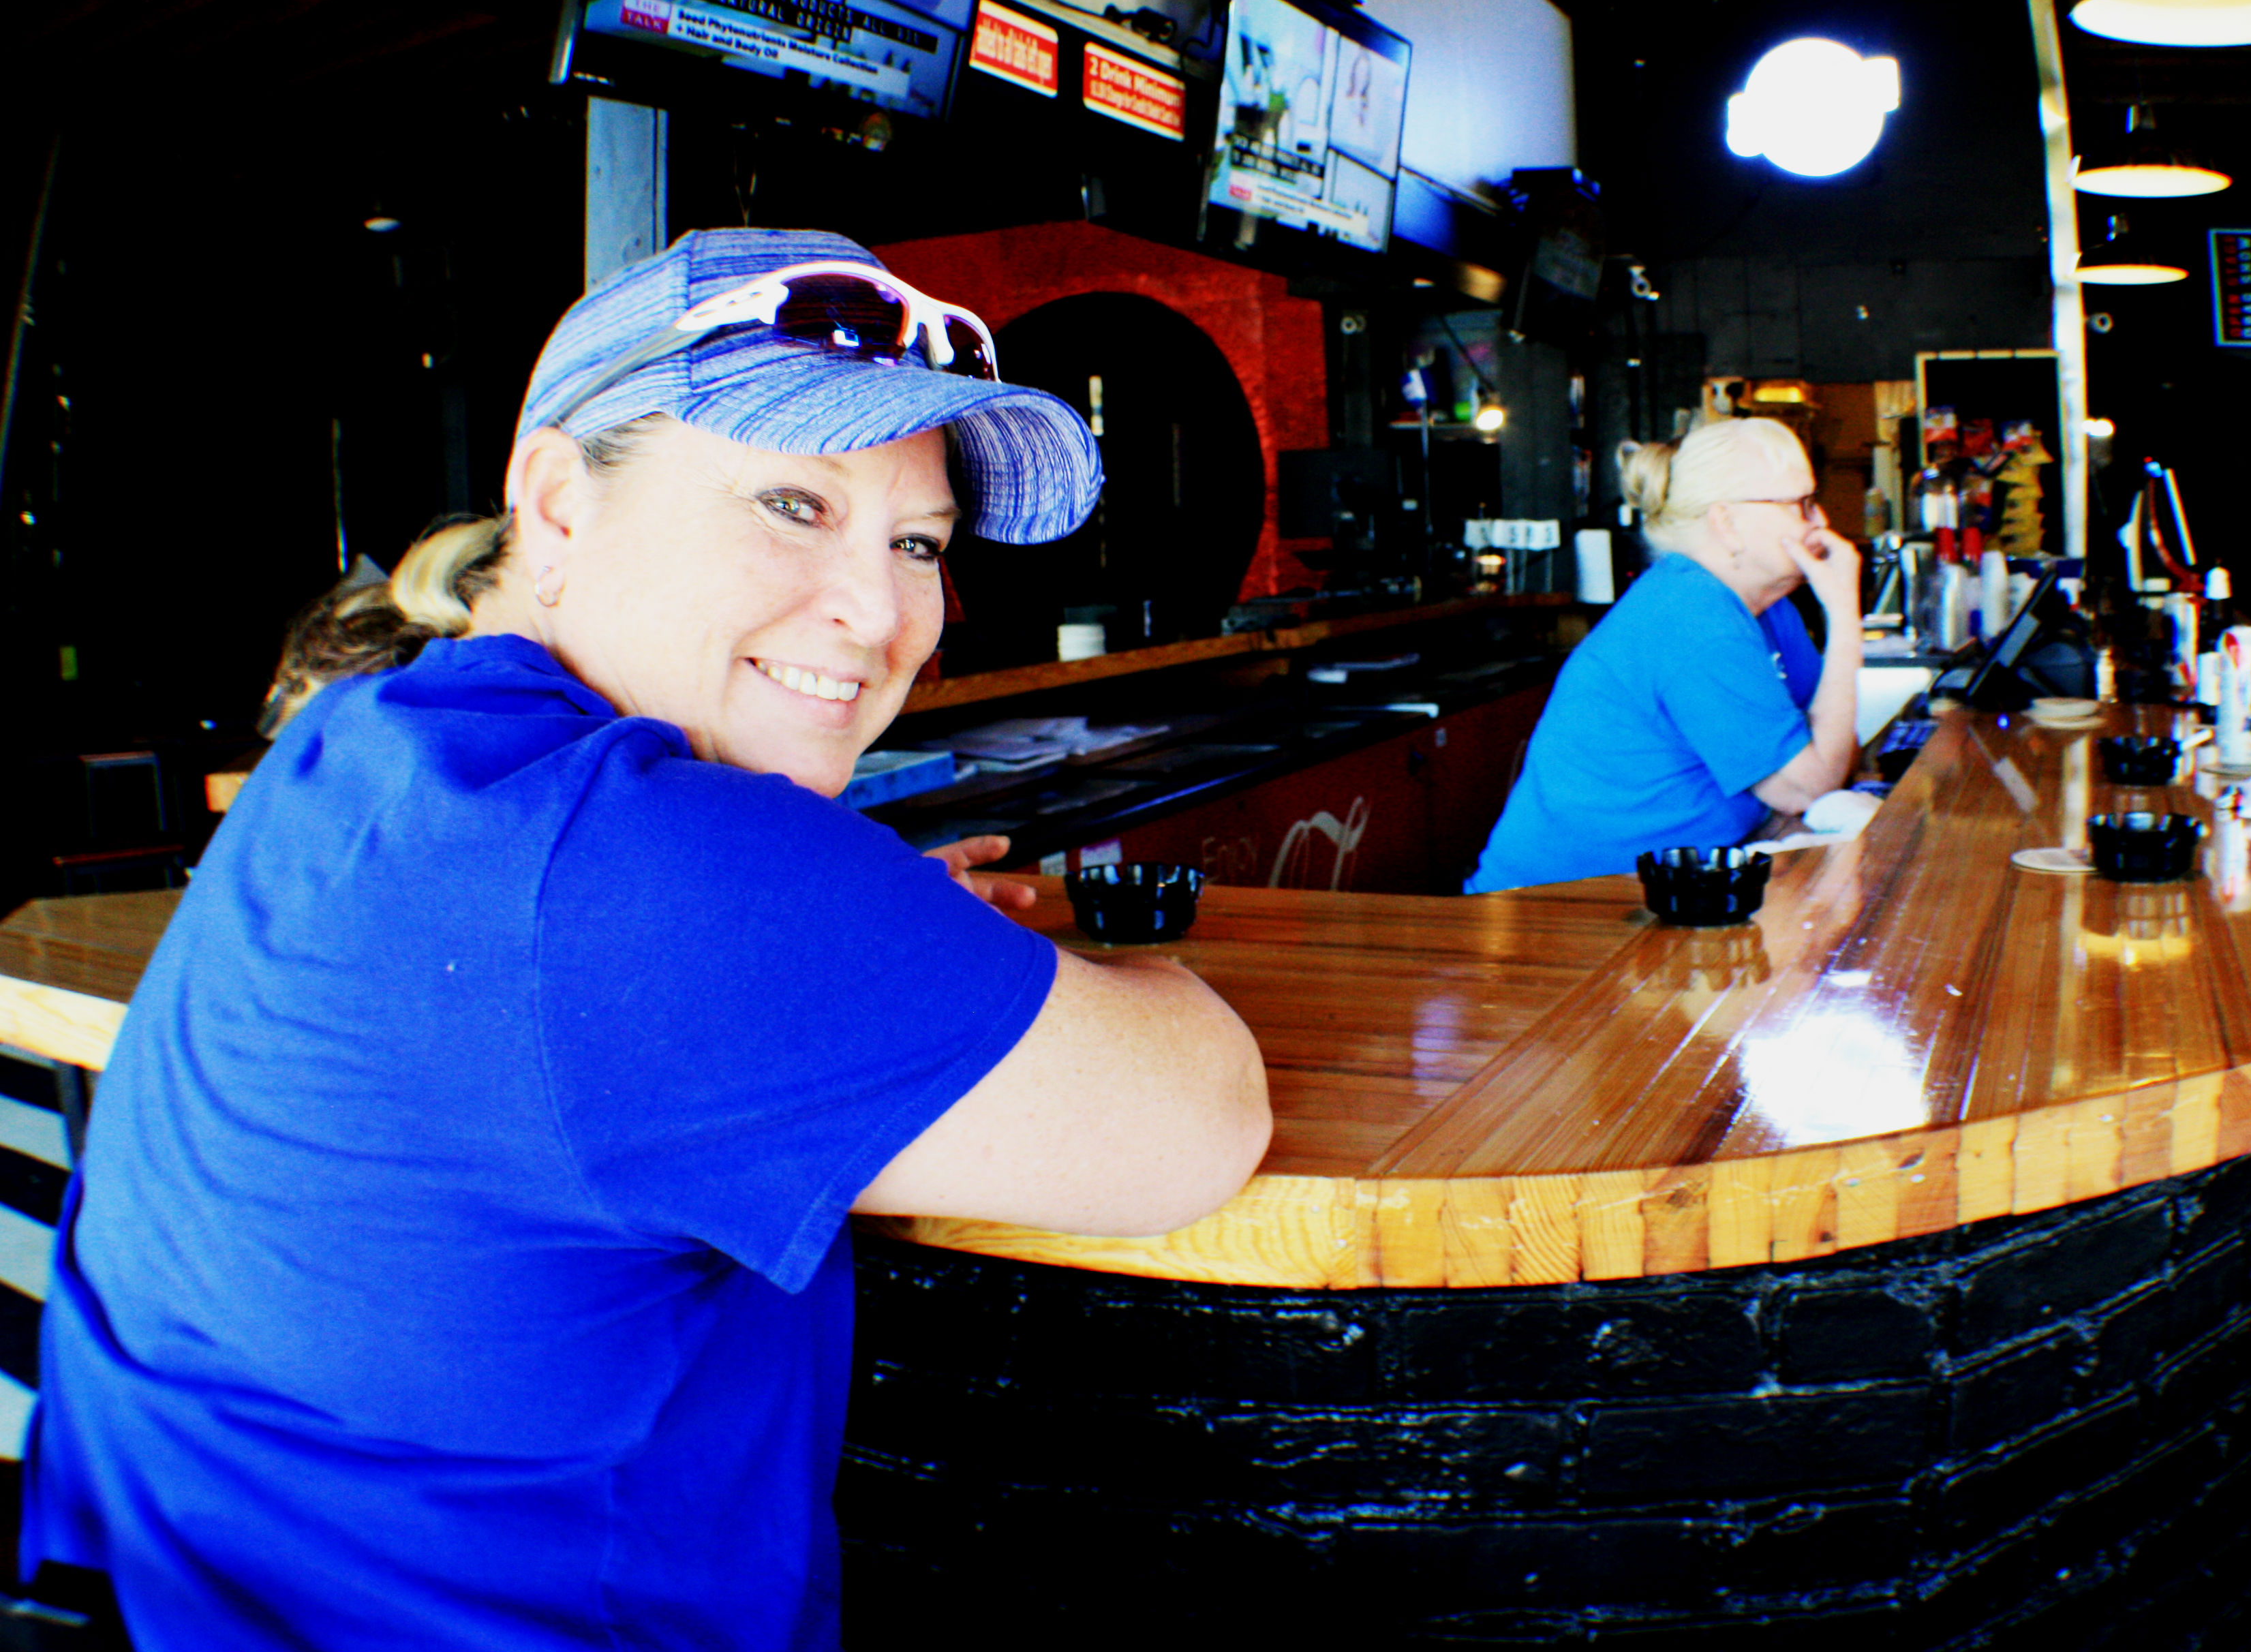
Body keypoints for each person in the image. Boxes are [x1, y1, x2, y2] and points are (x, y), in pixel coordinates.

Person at [21, 228, 1272, 1647]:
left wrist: (853, 934)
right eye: (792, 503)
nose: (879, 611)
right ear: (556, 507)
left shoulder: (358, 750)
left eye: (915, 540)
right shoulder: (633, 866)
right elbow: (1195, 1114)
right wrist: (1082, 962)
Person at [1467, 416, 1860, 893]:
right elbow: (1807, 787)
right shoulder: (1689, 615)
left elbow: (1835, 755)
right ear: (1727, 523)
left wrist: (1799, 800)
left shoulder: (1770, 610)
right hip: (1557, 911)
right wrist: (1843, 612)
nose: (1821, 523)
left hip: (1664, 891)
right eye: (1802, 504)